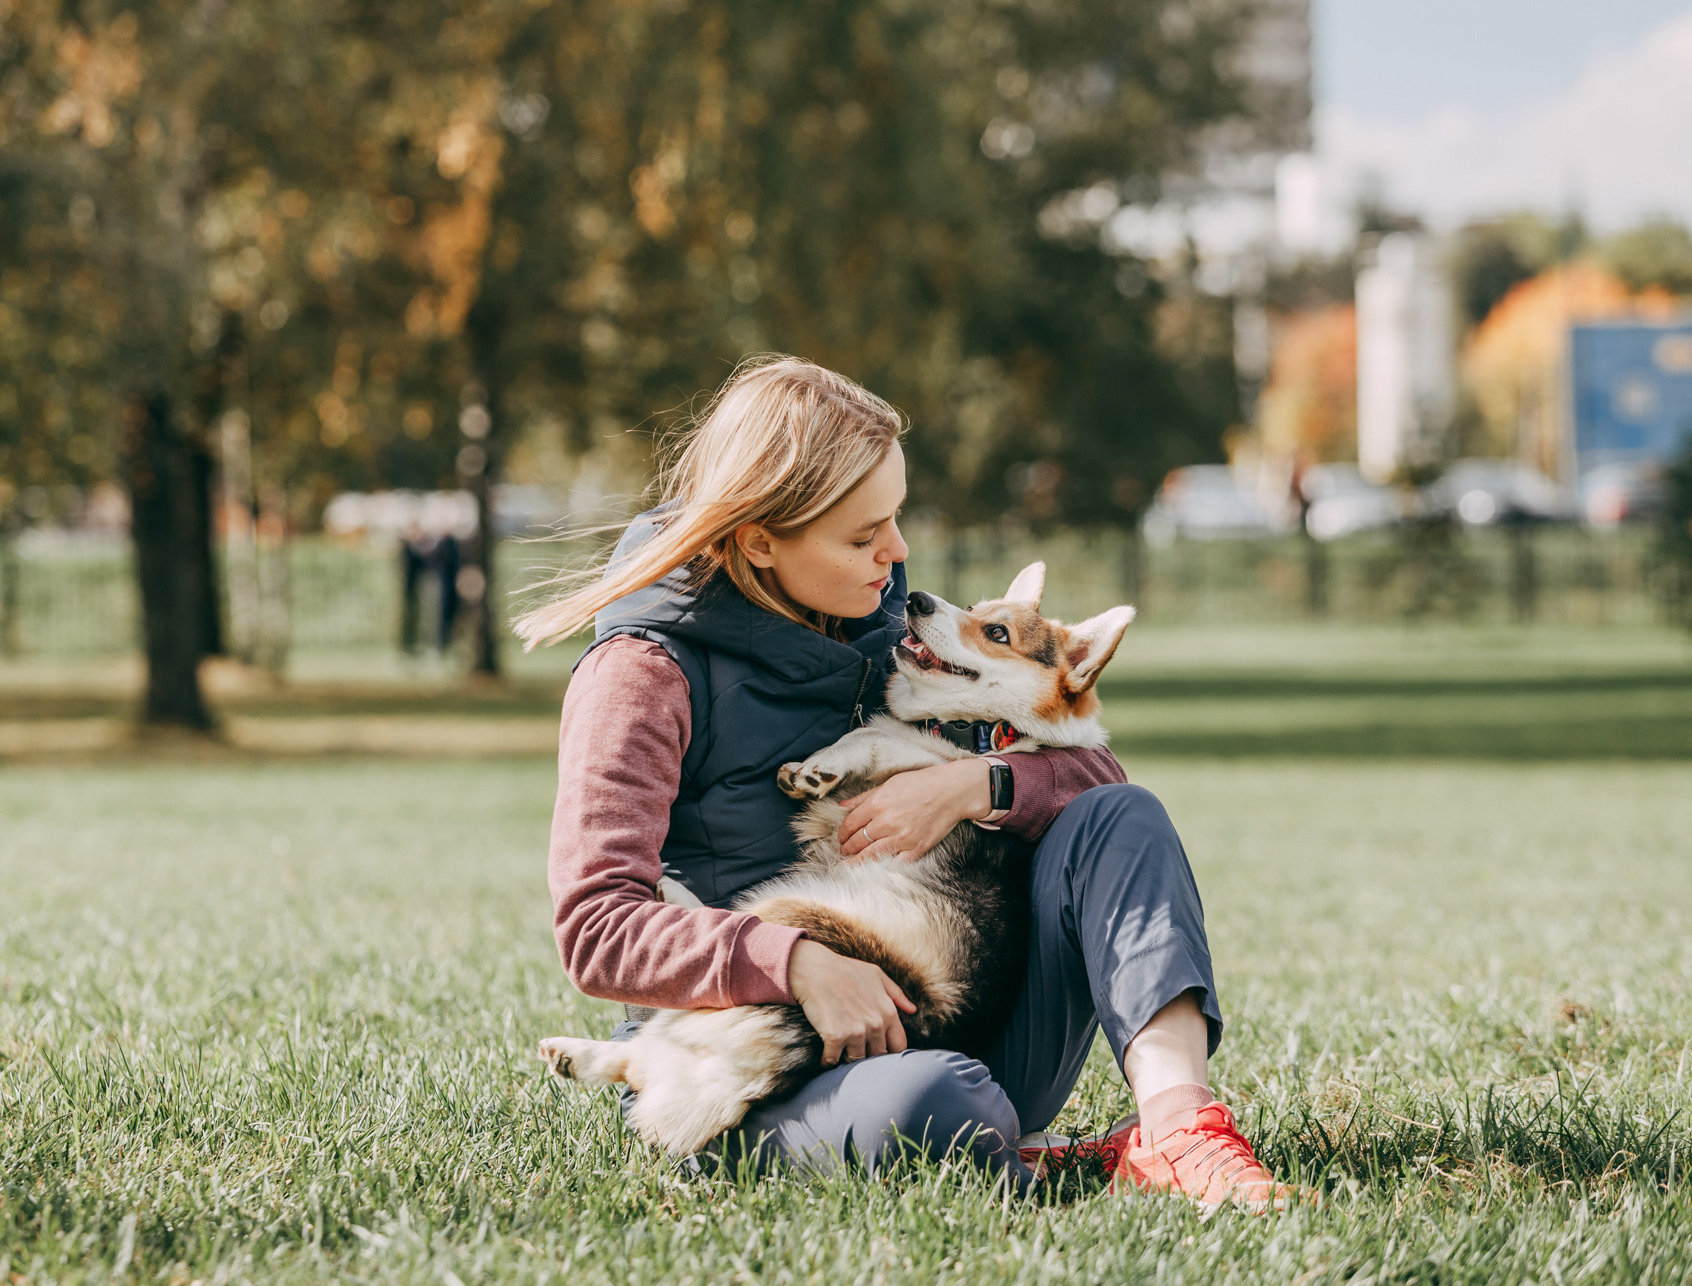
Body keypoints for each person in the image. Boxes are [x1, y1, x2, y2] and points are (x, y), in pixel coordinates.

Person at [517, 357, 1295, 1207]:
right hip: (750, 1066)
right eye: (862, 534)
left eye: (894, 518)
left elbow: (1091, 769)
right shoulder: (640, 674)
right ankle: (1021, 1150)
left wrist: (972, 787)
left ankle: (1180, 1130)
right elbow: (597, 931)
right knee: (940, 1103)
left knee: (1121, 814)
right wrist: (798, 963)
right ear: (758, 538)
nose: (897, 555)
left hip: (952, 1012)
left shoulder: (892, 626)